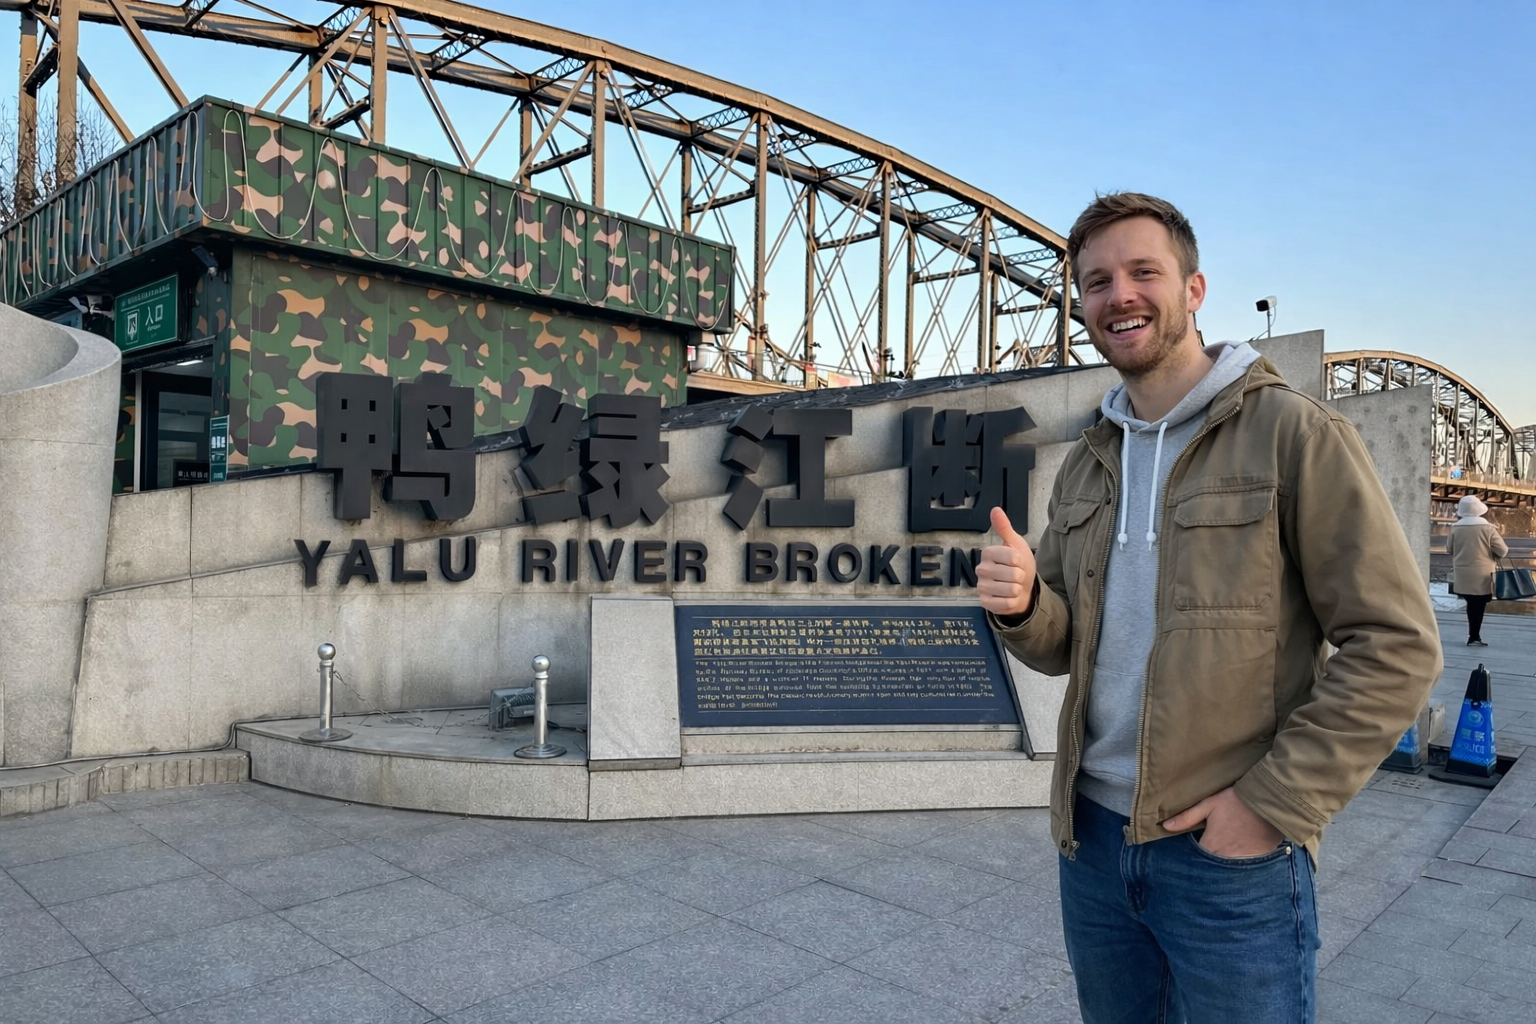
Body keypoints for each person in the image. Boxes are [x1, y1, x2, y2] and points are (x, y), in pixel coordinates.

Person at [976, 192, 1443, 1024]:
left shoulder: (1293, 435)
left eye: (1142, 272)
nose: (1119, 295)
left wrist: (1267, 808)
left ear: (1194, 290)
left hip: (1228, 858)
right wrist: (1022, 606)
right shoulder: (1091, 459)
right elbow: (1063, 647)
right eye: (1096, 281)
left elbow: (1396, 644)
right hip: (1091, 843)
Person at [1447, 493, 1507, 646]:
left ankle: (1473, 635)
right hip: (1483, 574)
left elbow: (1449, 549)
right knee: (1479, 605)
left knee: (1471, 603)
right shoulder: (1488, 528)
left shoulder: (1455, 528)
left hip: (1462, 573)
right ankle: (1475, 636)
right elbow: (1502, 550)